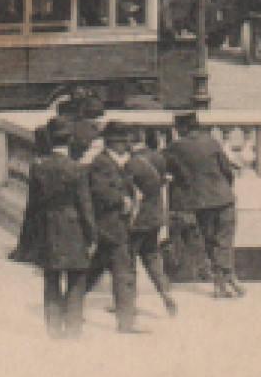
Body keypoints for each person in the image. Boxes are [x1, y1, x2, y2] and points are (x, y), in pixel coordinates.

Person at [25, 125, 97, 339]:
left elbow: (33, 206)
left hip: (48, 228)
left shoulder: (39, 168)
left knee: (51, 279)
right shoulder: (77, 169)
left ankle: (53, 329)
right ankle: (74, 328)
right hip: (73, 229)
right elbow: (85, 206)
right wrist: (91, 235)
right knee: (76, 279)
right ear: (69, 143)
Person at [167, 111, 244, 299]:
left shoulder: (174, 148)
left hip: (200, 203)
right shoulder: (212, 143)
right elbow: (227, 171)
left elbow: (169, 171)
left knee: (210, 241)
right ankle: (226, 279)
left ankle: (223, 281)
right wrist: (223, 190)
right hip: (223, 198)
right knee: (224, 240)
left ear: (181, 128)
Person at [85, 121, 141, 333]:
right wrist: (122, 201)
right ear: (114, 143)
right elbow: (101, 192)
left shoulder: (112, 162)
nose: (127, 145)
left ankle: (68, 307)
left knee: (93, 272)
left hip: (112, 227)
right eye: (124, 142)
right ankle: (126, 323)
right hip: (111, 228)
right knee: (123, 273)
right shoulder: (103, 164)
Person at [130, 126, 180, 317]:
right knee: (152, 256)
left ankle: (129, 301)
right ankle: (166, 294)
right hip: (155, 215)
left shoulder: (130, 161)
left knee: (128, 261)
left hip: (136, 219)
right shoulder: (159, 158)